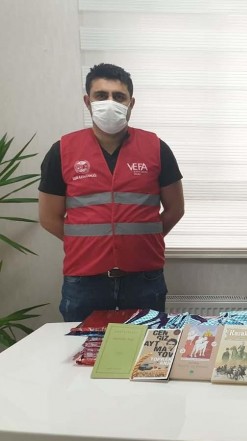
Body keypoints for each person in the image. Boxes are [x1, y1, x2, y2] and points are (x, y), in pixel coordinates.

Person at [38, 63, 184, 322]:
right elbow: (49, 217)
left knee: (144, 346)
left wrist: (142, 239)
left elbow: (175, 209)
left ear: (131, 103)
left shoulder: (156, 148)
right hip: (84, 279)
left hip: (143, 278)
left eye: (118, 97)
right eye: (101, 95)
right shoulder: (62, 151)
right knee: (80, 346)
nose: (110, 103)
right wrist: (87, 243)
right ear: (88, 101)